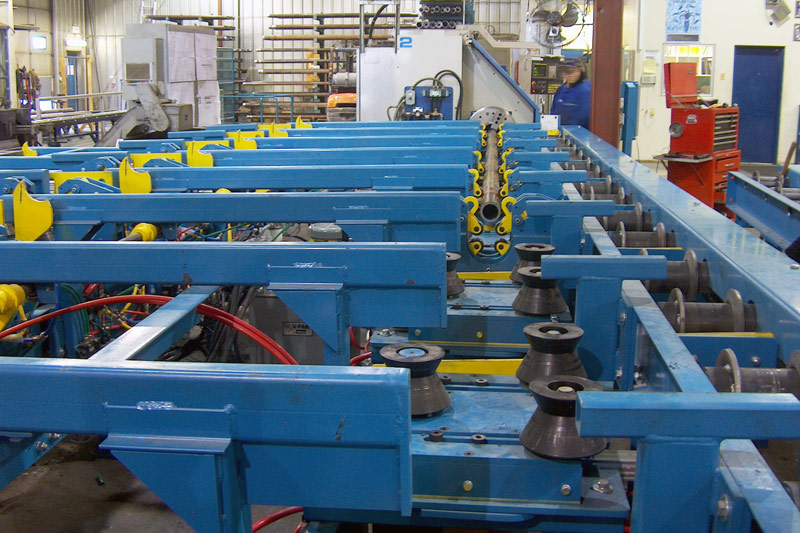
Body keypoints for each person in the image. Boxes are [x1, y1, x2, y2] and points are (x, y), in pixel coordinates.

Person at [550, 58, 591, 130]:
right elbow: (554, 112)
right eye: (566, 72)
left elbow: (584, 117)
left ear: (581, 71)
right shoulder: (562, 89)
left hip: (580, 135)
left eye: (572, 72)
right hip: (561, 134)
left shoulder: (586, 90)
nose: (569, 75)